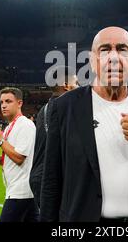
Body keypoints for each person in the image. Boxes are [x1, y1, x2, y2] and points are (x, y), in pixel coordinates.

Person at [40, 26, 128, 222]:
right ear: (92, 61)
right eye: (105, 49)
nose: (114, 57)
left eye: (123, 49)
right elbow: (51, 180)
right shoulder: (64, 107)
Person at [30, 66, 78, 211]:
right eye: (76, 83)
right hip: (55, 180)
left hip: (39, 177)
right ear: (66, 85)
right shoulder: (69, 109)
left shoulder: (43, 110)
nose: (78, 86)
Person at [0, 87, 38, 222]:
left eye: (8, 101)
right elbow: (10, 158)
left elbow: (19, 158)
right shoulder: (9, 127)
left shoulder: (26, 125)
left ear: (19, 103)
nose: (3, 105)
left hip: (20, 191)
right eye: (1, 102)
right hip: (18, 189)